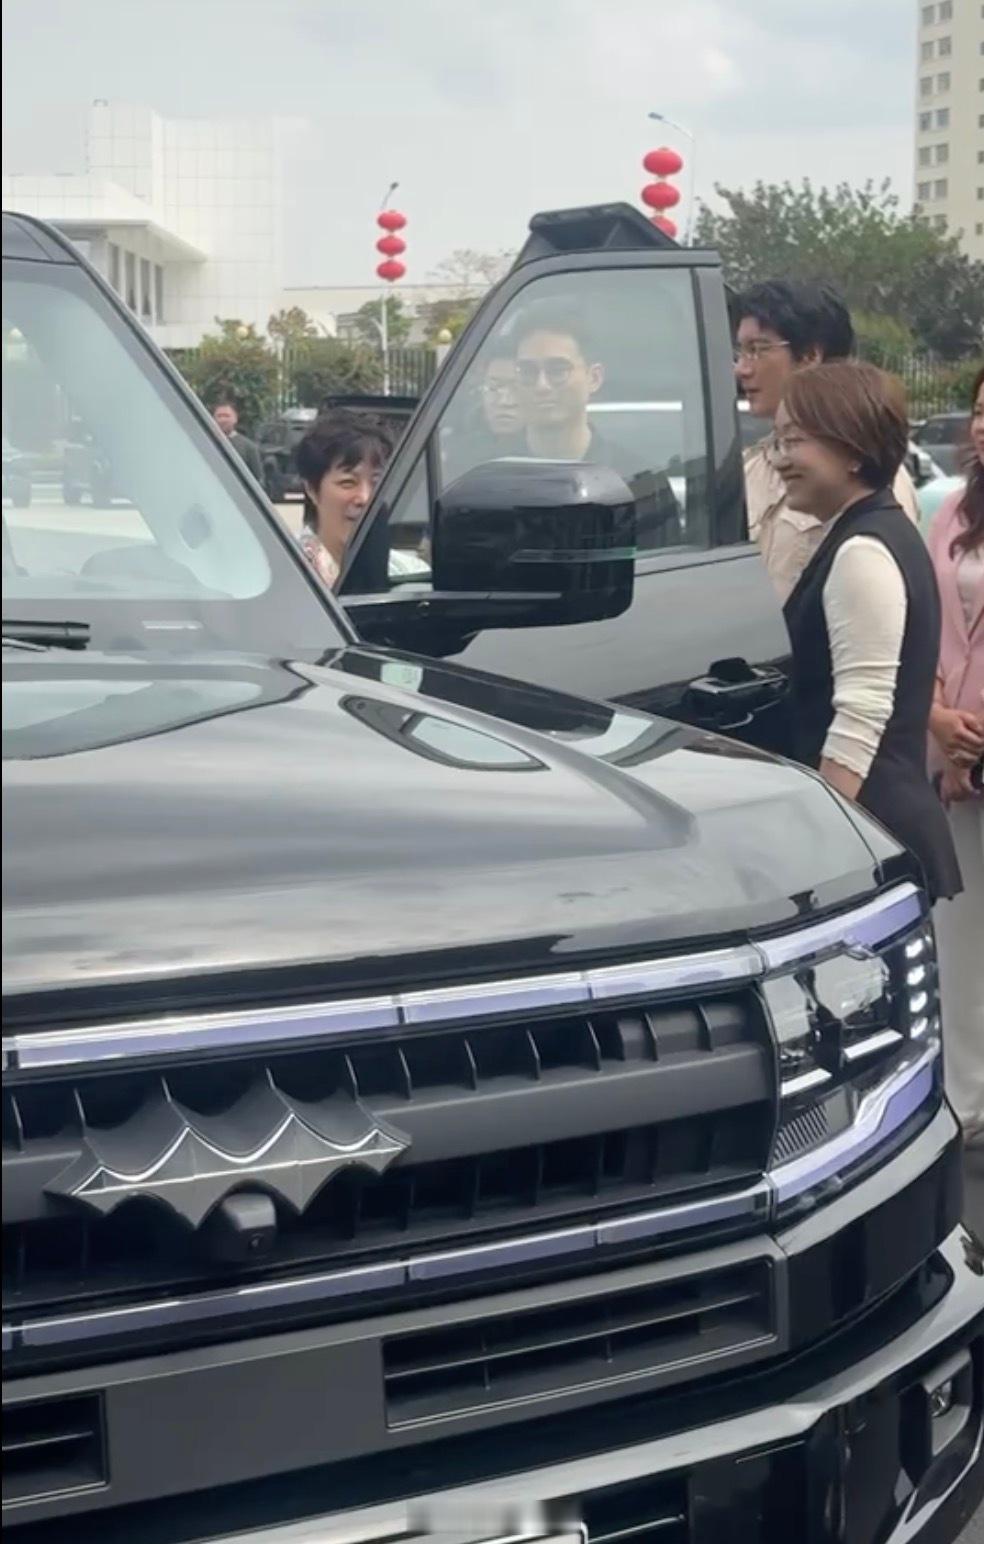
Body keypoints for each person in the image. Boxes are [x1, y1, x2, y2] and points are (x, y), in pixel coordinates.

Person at [774, 359, 960, 903]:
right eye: (778, 441)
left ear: (853, 449)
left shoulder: (863, 550)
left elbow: (860, 716)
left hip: (870, 829)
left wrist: (826, 844)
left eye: (795, 440)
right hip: (877, 822)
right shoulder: (876, 531)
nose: (781, 459)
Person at [734, 280, 920, 602]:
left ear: (810, 356)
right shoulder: (750, 466)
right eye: (740, 351)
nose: (742, 369)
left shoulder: (872, 479)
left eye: (758, 350)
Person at [926, 365, 984, 1144]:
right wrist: (938, 717)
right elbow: (926, 623)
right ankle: (964, 1103)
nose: (982, 425)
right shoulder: (950, 511)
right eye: (978, 410)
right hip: (950, 747)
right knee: (962, 931)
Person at [512, 303, 681, 540]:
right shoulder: (490, 480)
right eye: (528, 371)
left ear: (594, 377)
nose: (542, 385)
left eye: (557, 370)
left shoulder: (640, 483)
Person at [295, 410, 394, 587]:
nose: (364, 498)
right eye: (348, 483)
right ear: (311, 489)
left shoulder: (408, 572)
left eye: (376, 483)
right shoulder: (287, 570)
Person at [212, 399, 264, 483]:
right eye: (219, 416)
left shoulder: (249, 447)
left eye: (227, 416)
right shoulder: (206, 443)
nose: (223, 420)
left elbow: (258, 479)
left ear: (235, 419)